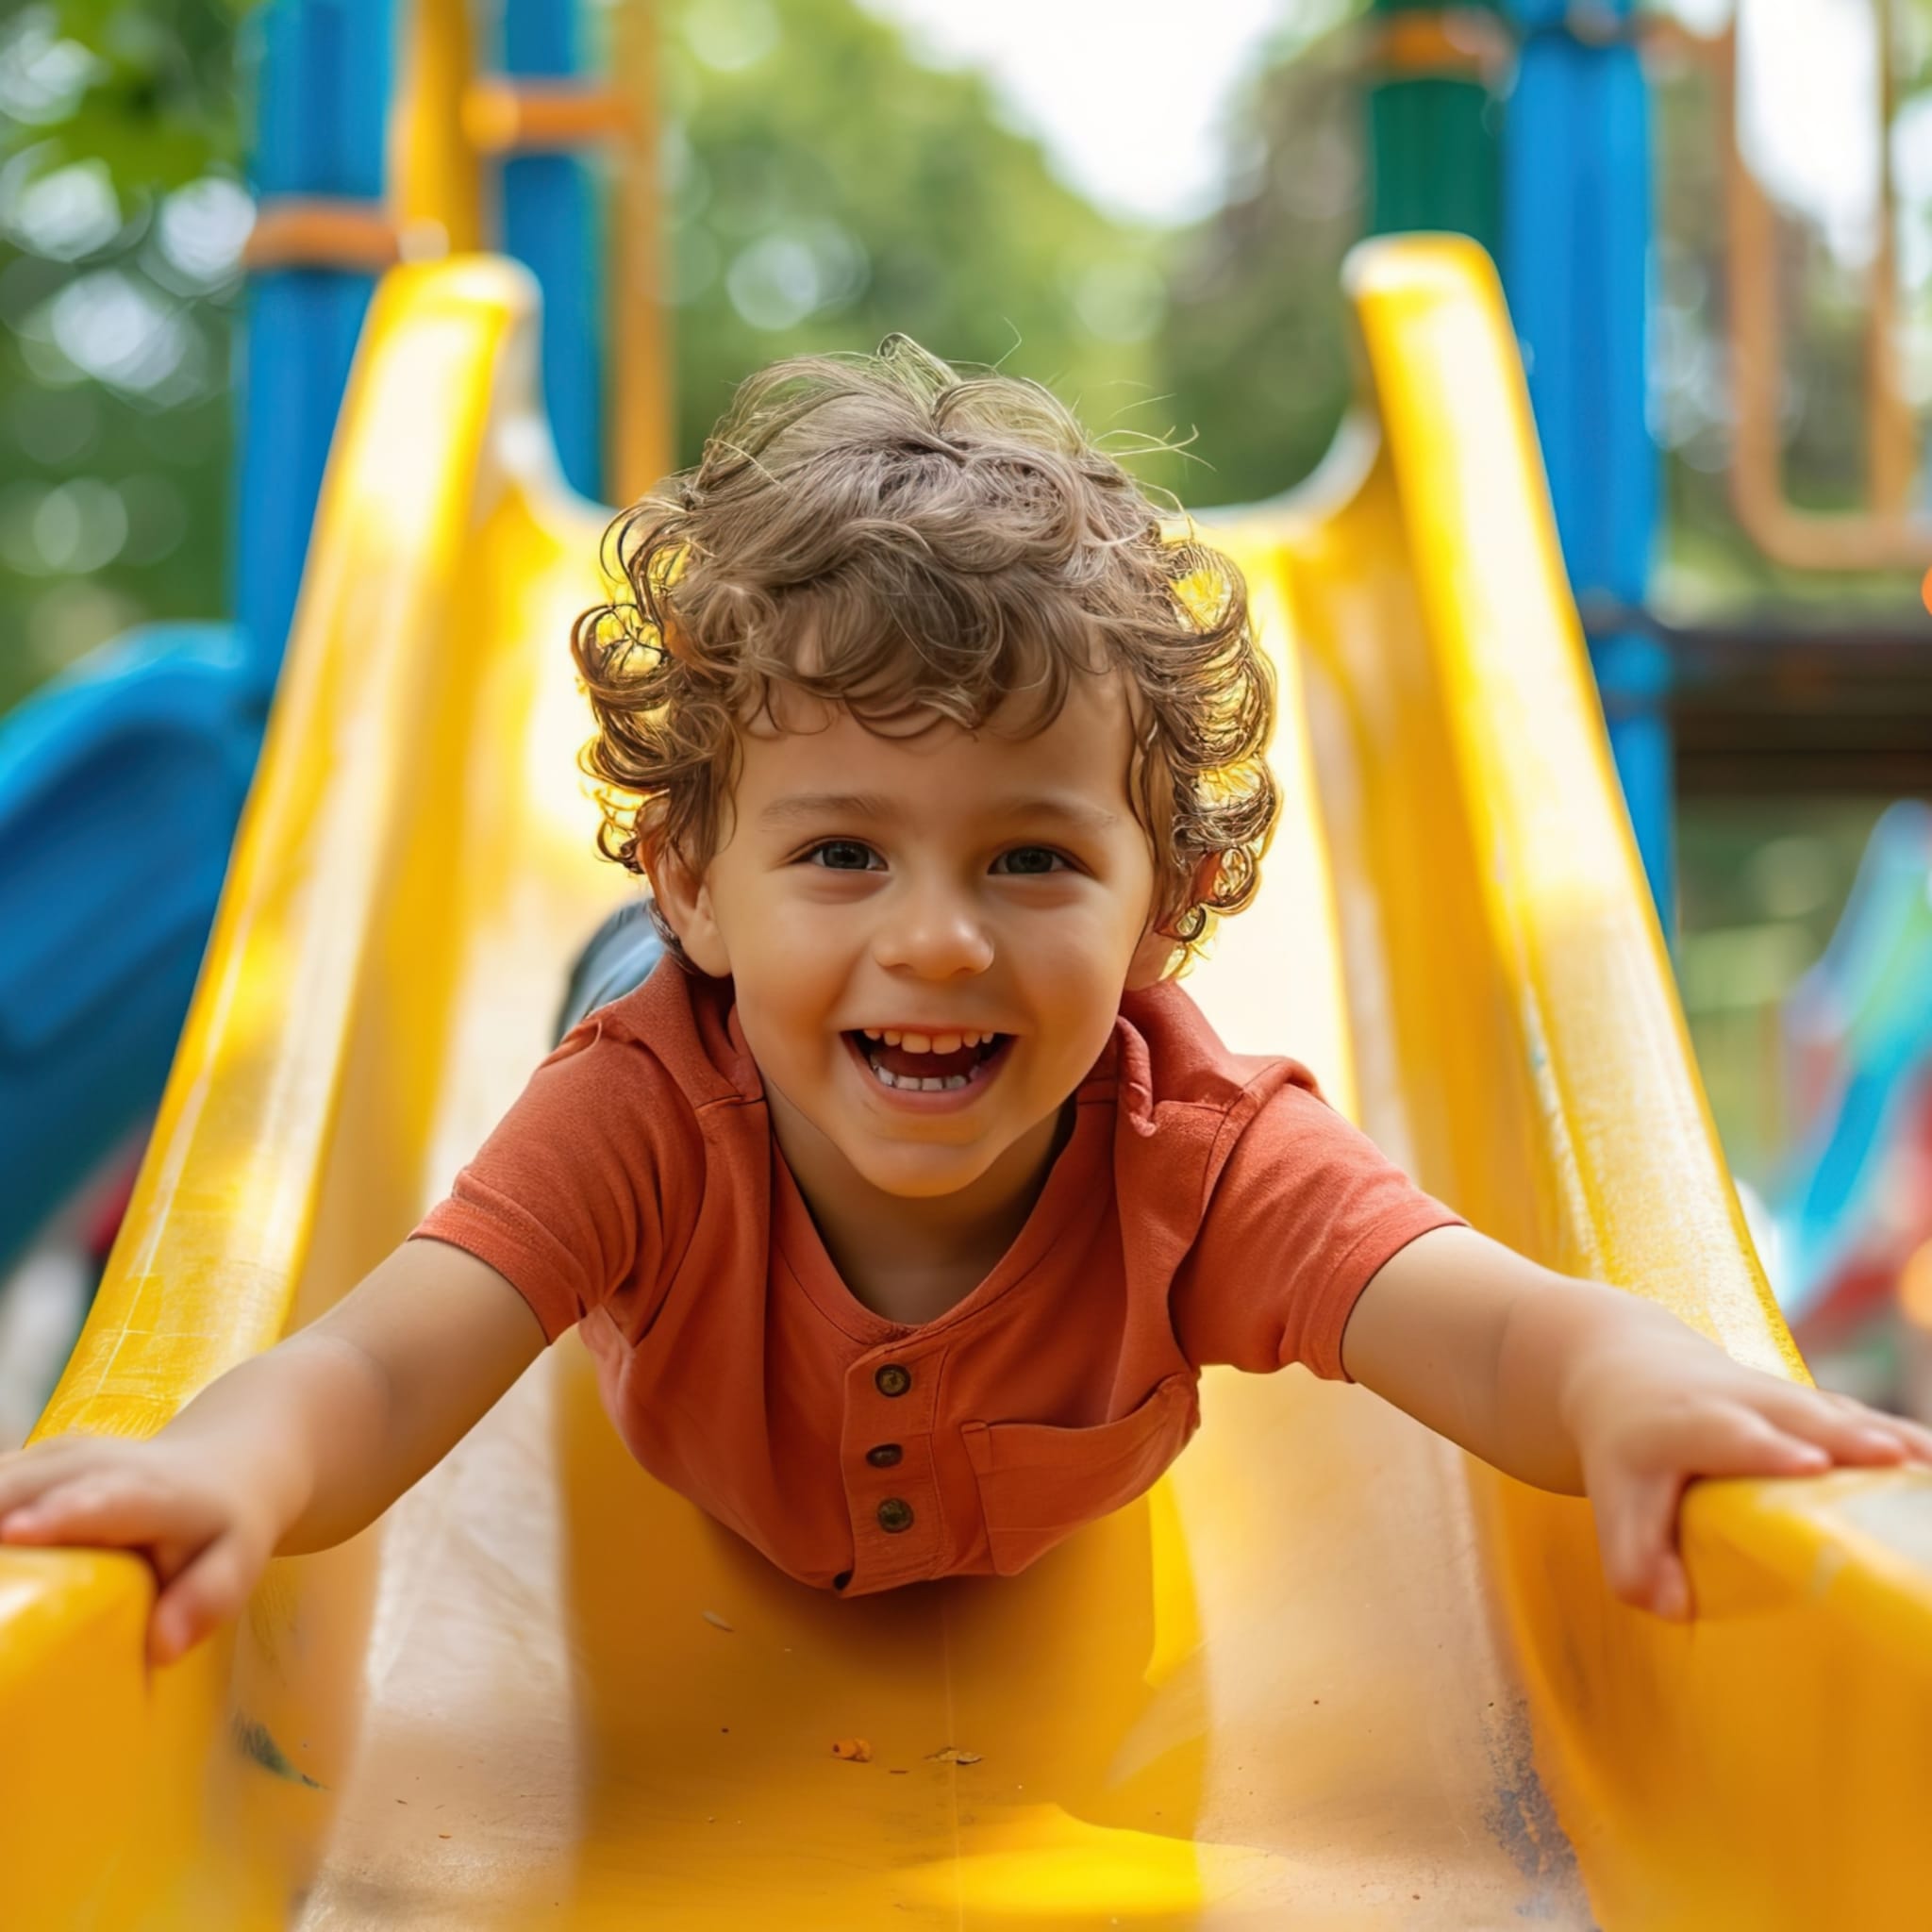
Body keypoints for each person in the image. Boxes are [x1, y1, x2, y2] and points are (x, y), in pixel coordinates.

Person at [3, 338, 1929, 1668]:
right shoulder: (638, 1117)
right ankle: (651, 926)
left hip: (764, 985)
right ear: (700, 875)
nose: (938, 939)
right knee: (650, 1021)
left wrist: (1636, 1385)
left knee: (829, 972)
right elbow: (378, 1366)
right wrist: (222, 1464)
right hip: (677, 1016)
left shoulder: (1197, 1147)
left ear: (1170, 907)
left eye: (1030, 860)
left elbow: (1494, 1331)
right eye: (848, 850)